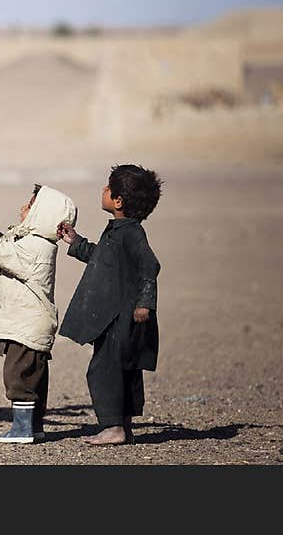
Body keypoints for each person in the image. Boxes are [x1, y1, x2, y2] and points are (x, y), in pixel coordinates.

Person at [58, 165, 162, 446]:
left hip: (122, 317)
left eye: (108, 187)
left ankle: (113, 427)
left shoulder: (131, 234)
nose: (103, 190)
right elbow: (101, 258)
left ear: (118, 201)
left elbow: (149, 266)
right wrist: (76, 242)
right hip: (115, 316)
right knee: (123, 369)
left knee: (105, 370)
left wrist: (145, 304)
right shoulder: (118, 230)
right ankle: (123, 427)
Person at [0, 185, 77, 443]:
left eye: (30, 206)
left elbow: (0, 252)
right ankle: (34, 427)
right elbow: (7, 245)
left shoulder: (36, 247)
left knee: (18, 376)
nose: (23, 209)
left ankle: (22, 429)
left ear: (43, 215)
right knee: (33, 377)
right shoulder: (32, 241)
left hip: (27, 326)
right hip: (28, 323)